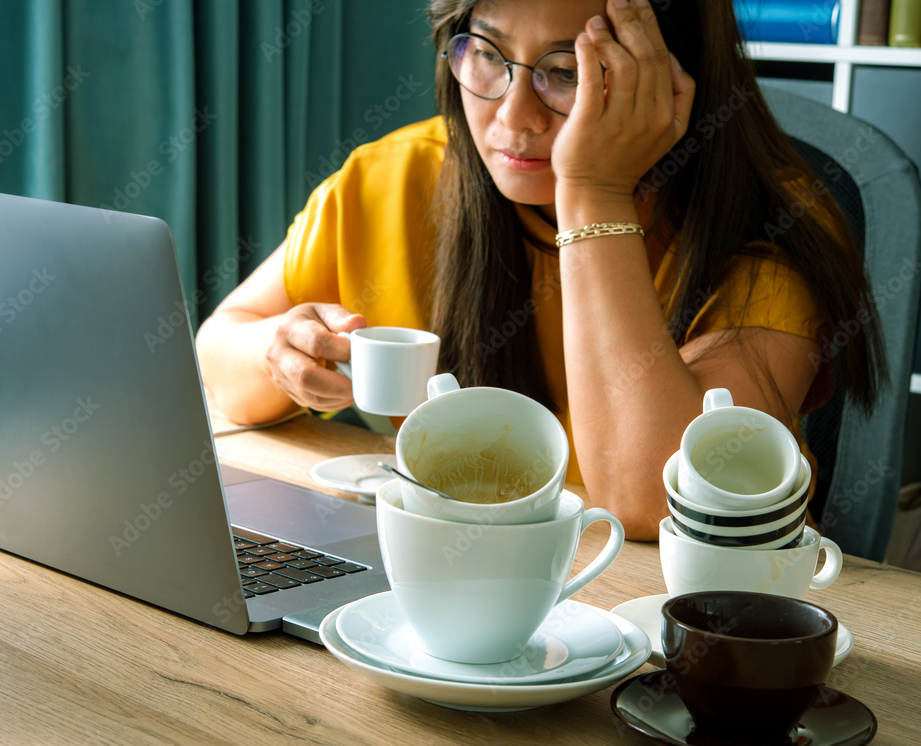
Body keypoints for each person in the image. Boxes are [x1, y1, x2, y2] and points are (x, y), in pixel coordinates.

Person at [196, 0, 886, 540]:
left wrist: (592, 190)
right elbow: (217, 353)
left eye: (568, 74)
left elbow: (652, 500)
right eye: (489, 55)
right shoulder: (396, 177)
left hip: (666, 623)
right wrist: (276, 354)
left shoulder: (771, 233)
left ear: (673, 80)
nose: (514, 118)